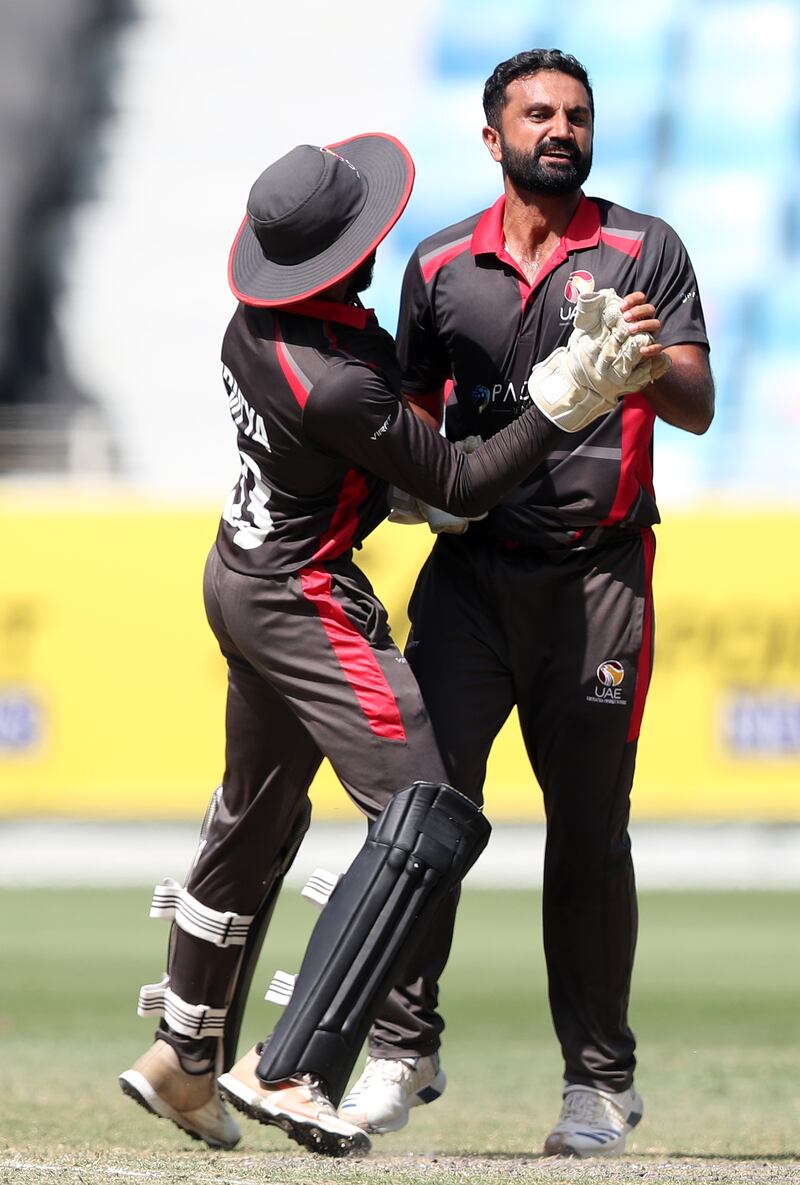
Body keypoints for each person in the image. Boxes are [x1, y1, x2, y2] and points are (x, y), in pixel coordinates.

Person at [118, 132, 661, 1158]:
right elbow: (457, 482)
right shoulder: (336, 378)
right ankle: (292, 1066)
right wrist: (563, 397)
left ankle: (183, 1053)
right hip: (300, 596)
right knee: (426, 814)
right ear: (342, 255)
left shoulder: (256, 326)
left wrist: (402, 484)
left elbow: (387, 464)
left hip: (240, 572)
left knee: (257, 813)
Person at [339, 50, 714, 1158]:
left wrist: (639, 362)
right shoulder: (441, 264)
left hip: (598, 581)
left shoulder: (644, 249)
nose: (558, 128)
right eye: (536, 114)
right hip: (469, 578)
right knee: (421, 817)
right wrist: (416, 495)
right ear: (491, 134)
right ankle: (402, 1048)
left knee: (588, 837)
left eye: (575, 116)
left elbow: (695, 403)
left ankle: (597, 1085)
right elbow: (404, 420)